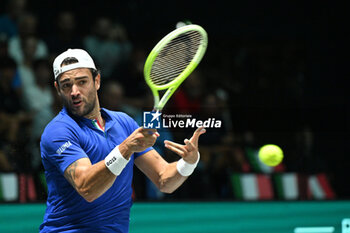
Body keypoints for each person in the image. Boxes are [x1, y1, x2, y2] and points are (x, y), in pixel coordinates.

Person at [39, 48, 205, 232]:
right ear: (57, 89)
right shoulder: (58, 132)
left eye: (82, 82)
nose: (74, 91)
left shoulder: (124, 123)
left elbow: (163, 179)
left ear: (97, 81)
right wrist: (125, 149)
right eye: (66, 85)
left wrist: (189, 162)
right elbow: (87, 188)